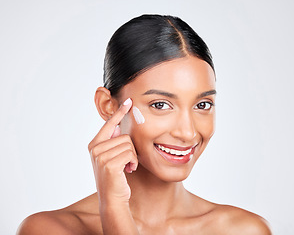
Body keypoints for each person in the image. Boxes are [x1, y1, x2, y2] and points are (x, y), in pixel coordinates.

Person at [17, 14, 272, 234]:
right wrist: (113, 206)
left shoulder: (245, 230)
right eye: (160, 104)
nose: (188, 132)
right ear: (109, 106)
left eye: (202, 105)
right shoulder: (48, 230)